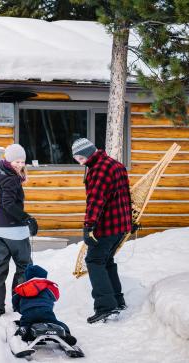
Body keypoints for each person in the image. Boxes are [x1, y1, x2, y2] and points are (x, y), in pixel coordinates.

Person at [71, 138, 132, 324]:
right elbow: (126, 195)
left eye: (80, 158)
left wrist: (88, 226)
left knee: (94, 261)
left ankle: (106, 307)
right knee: (106, 261)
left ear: (88, 154)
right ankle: (117, 301)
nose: (80, 162)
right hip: (121, 225)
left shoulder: (99, 170)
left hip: (107, 226)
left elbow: (96, 201)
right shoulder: (116, 165)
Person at [0, 144, 38, 317]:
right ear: (8, 160)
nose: (19, 164)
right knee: (24, 266)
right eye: (17, 161)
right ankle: (19, 302)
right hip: (13, 230)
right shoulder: (10, 179)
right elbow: (9, 204)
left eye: (22, 161)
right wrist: (27, 218)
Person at [12, 264, 77, 345]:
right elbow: (55, 297)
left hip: (28, 314)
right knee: (55, 323)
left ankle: (25, 332)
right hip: (45, 312)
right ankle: (65, 334)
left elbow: (15, 301)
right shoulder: (47, 287)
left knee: (26, 324)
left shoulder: (22, 289)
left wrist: (22, 310)